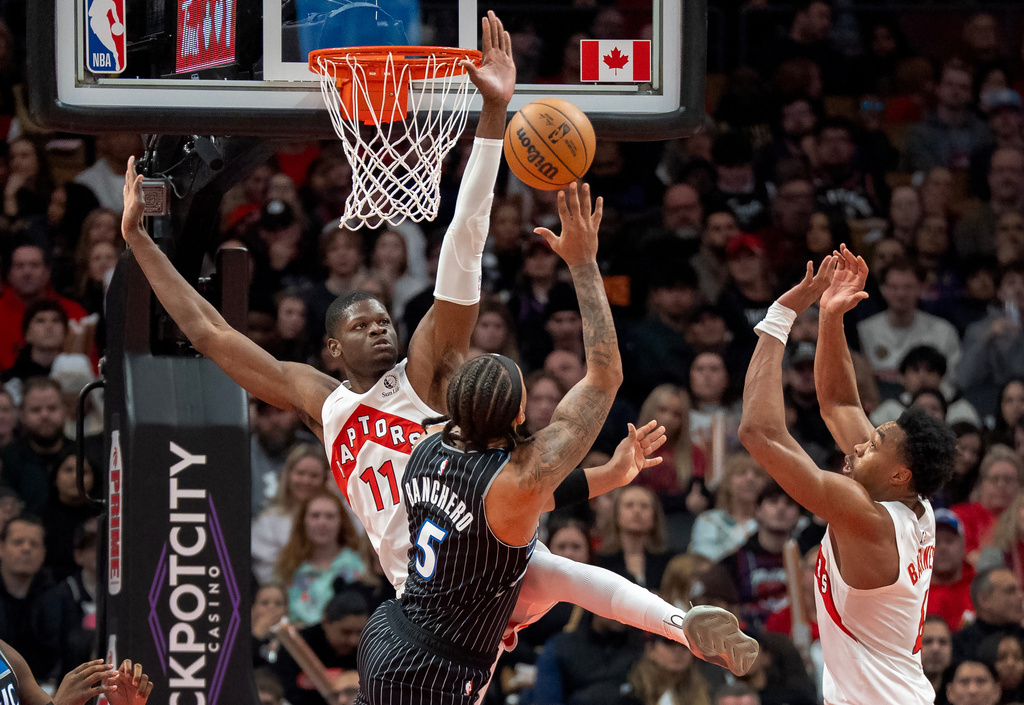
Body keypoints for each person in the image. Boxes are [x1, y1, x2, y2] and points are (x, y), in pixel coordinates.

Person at [122, 14, 755, 695]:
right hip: (429, 602)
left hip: (456, 591)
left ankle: (680, 621)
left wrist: (491, 123)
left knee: (566, 576)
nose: (382, 329)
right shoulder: (322, 401)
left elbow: (463, 247)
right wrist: (141, 242)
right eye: (361, 325)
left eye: (384, 318)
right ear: (332, 347)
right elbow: (215, 336)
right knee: (559, 575)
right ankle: (674, 619)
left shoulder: (422, 373)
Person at [738, 245, 957, 704]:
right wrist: (830, 316)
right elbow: (840, 405)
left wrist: (780, 316)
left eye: (874, 444)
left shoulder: (868, 518)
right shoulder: (914, 502)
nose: (860, 443)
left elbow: (759, 433)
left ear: (899, 474)